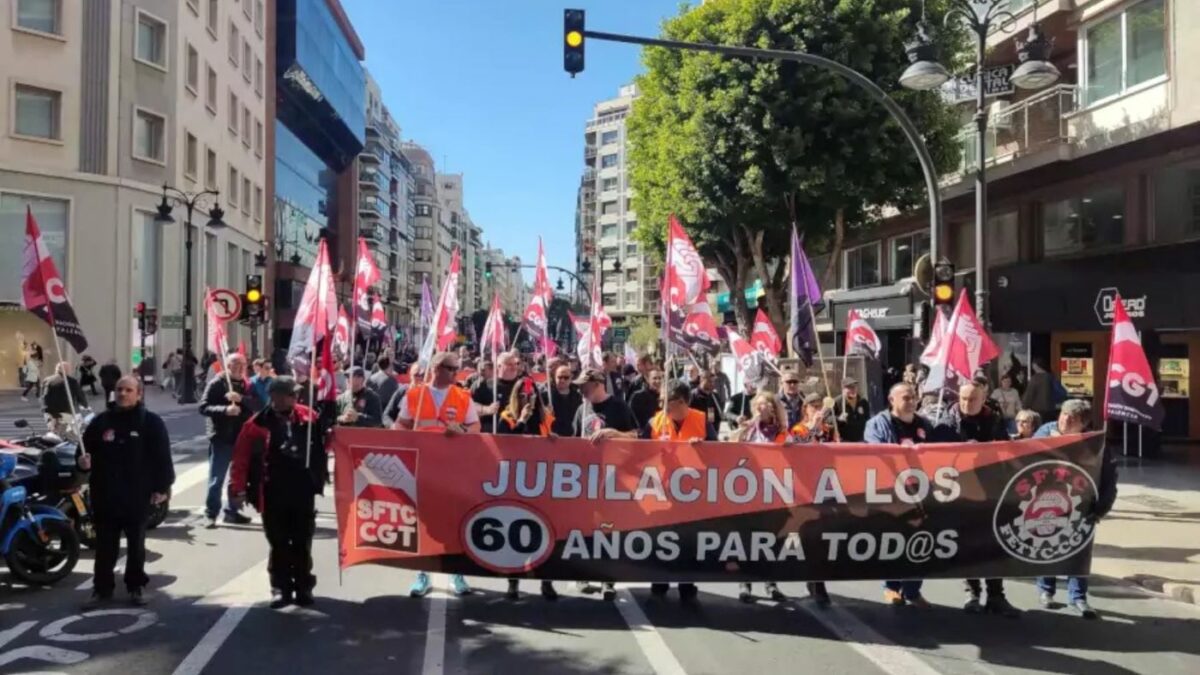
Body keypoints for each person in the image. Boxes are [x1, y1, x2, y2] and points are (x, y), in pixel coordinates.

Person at [229, 377, 329, 609]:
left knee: (303, 540)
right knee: (279, 541)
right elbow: (241, 459)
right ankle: (280, 588)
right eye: (291, 394)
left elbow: (327, 440)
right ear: (276, 397)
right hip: (271, 490)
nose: (296, 398)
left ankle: (304, 586)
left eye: (295, 394)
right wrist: (239, 488)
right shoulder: (255, 425)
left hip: (302, 489)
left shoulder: (309, 417)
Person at [78, 376, 173, 608]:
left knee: (136, 544)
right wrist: (82, 463)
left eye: (128, 390)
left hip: (137, 494)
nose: (122, 394)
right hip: (105, 493)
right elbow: (83, 451)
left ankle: (135, 586)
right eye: (119, 389)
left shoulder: (150, 422)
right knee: (104, 545)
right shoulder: (101, 422)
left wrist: (163, 487)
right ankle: (102, 589)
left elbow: (162, 457)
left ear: (139, 394)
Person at [393, 352, 479, 597]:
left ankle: (455, 573)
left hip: (452, 468)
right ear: (437, 368)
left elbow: (475, 426)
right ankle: (421, 573)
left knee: (453, 521)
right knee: (422, 522)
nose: (456, 373)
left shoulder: (463, 396)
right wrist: (406, 443)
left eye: (457, 369)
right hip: (422, 467)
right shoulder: (414, 395)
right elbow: (400, 425)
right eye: (452, 369)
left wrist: (461, 430)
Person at [936, 382, 1019, 618]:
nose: (966, 403)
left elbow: (1006, 451)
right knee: (968, 544)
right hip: (960, 491)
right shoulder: (946, 422)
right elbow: (935, 454)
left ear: (983, 400)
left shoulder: (994, 421)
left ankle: (996, 595)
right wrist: (961, 450)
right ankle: (972, 593)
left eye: (972, 399)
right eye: (963, 398)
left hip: (990, 490)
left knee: (993, 544)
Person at [1034, 399, 1116, 619]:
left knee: (1079, 549)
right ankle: (1046, 591)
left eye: (1072, 419)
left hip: (1081, 503)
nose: (1065, 420)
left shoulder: (1094, 443)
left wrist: (1101, 508)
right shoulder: (1044, 432)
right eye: (1063, 414)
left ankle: (1078, 597)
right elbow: (1027, 457)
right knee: (1047, 545)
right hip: (1048, 501)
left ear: (1084, 423)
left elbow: (1109, 477)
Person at [643, 383, 715, 603]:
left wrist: (702, 447)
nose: (661, 405)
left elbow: (719, 453)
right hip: (661, 489)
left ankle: (686, 582)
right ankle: (659, 580)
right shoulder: (655, 423)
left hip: (691, 492)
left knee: (687, 538)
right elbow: (639, 452)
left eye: (667, 401)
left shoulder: (701, 420)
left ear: (682, 402)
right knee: (661, 536)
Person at [865, 382, 935, 607]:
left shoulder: (925, 424)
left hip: (920, 492)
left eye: (914, 397)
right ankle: (892, 587)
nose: (912, 401)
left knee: (920, 539)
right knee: (894, 539)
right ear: (892, 400)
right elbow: (873, 453)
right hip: (891, 492)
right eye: (906, 397)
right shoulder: (877, 424)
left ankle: (913, 590)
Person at [573, 368, 639, 601]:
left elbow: (636, 436)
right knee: (585, 526)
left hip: (614, 476)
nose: (582, 390)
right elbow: (573, 442)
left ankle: (608, 578)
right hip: (586, 477)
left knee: (609, 528)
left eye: (585, 385)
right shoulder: (582, 409)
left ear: (599, 384)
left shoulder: (619, 407)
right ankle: (583, 572)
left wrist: (613, 433)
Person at [495, 378, 559, 601]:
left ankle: (547, 581)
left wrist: (554, 439)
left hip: (541, 482)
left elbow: (558, 446)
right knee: (516, 533)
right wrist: (521, 421)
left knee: (546, 533)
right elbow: (505, 445)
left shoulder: (545, 418)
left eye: (530, 396)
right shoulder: (507, 417)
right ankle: (513, 582)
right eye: (522, 396)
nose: (526, 400)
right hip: (515, 482)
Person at [199, 354, 257, 528]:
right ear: (228, 365)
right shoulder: (217, 383)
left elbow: (258, 405)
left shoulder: (247, 385)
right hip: (222, 437)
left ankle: (232, 511)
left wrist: (242, 400)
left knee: (237, 478)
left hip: (242, 437)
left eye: (243, 364)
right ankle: (211, 513)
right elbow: (203, 407)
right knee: (217, 478)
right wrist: (225, 410)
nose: (240, 368)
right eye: (236, 364)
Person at [473, 351, 521, 433]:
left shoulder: (524, 384)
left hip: (519, 432)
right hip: (493, 433)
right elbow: (471, 406)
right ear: (499, 366)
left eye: (515, 364)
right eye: (509, 364)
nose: (514, 367)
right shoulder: (485, 385)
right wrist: (486, 409)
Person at [42, 362, 89, 435]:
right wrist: (85, 404)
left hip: (49, 411)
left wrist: (44, 408)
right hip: (65, 410)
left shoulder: (47, 380)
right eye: (69, 369)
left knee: (52, 429)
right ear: (66, 370)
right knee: (64, 431)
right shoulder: (71, 381)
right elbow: (79, 395)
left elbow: (42, 396)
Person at [543, 364, 583, 437]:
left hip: (573, 436)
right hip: (554, 436)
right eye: (559, 377)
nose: (562, 380)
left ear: (571, 378)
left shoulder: (578, 397)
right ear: (555, 378)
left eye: (566, 377)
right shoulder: (546, 396)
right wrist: (546, 412)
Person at [833, 378, 871, 442]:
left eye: (854, 387)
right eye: (849, 388)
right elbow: (827, 418)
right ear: (843, 389)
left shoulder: (863, 402)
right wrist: (838, 418)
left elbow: (868, 419)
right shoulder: (836, 402)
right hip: (844, 440)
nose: (853, 390)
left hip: (861, 439)